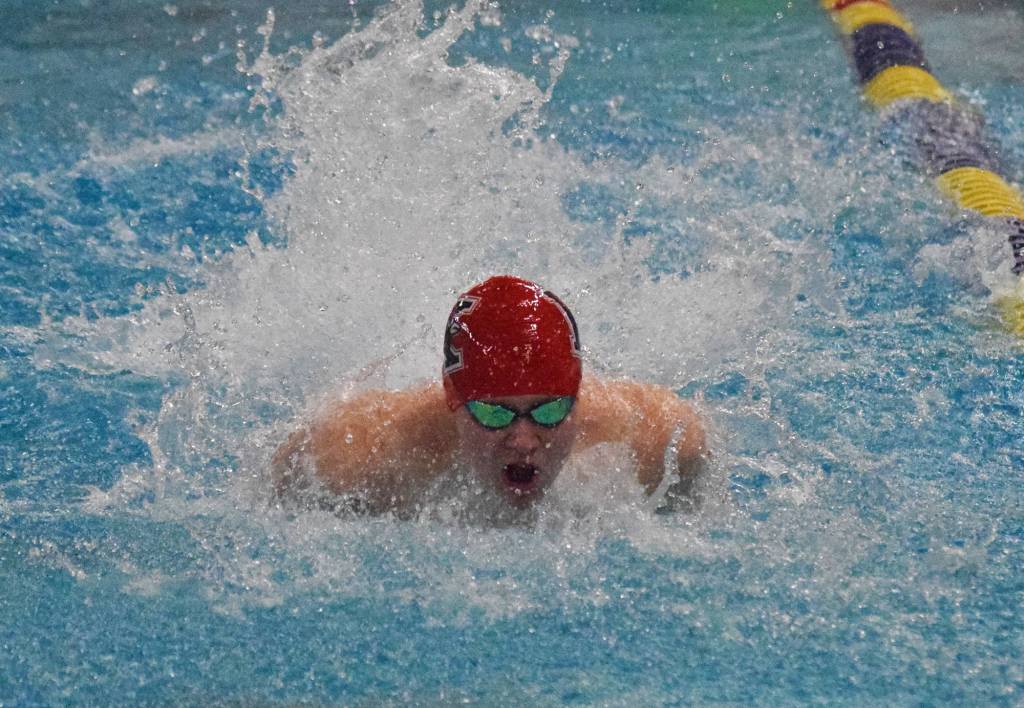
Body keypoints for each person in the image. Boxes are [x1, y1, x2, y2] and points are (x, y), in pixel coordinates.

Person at [272, 275, 705, 515]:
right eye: (495, 414)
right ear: (450, 397)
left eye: (550, 410)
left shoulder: (661, 442)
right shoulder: (355, 459)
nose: (522, 439)